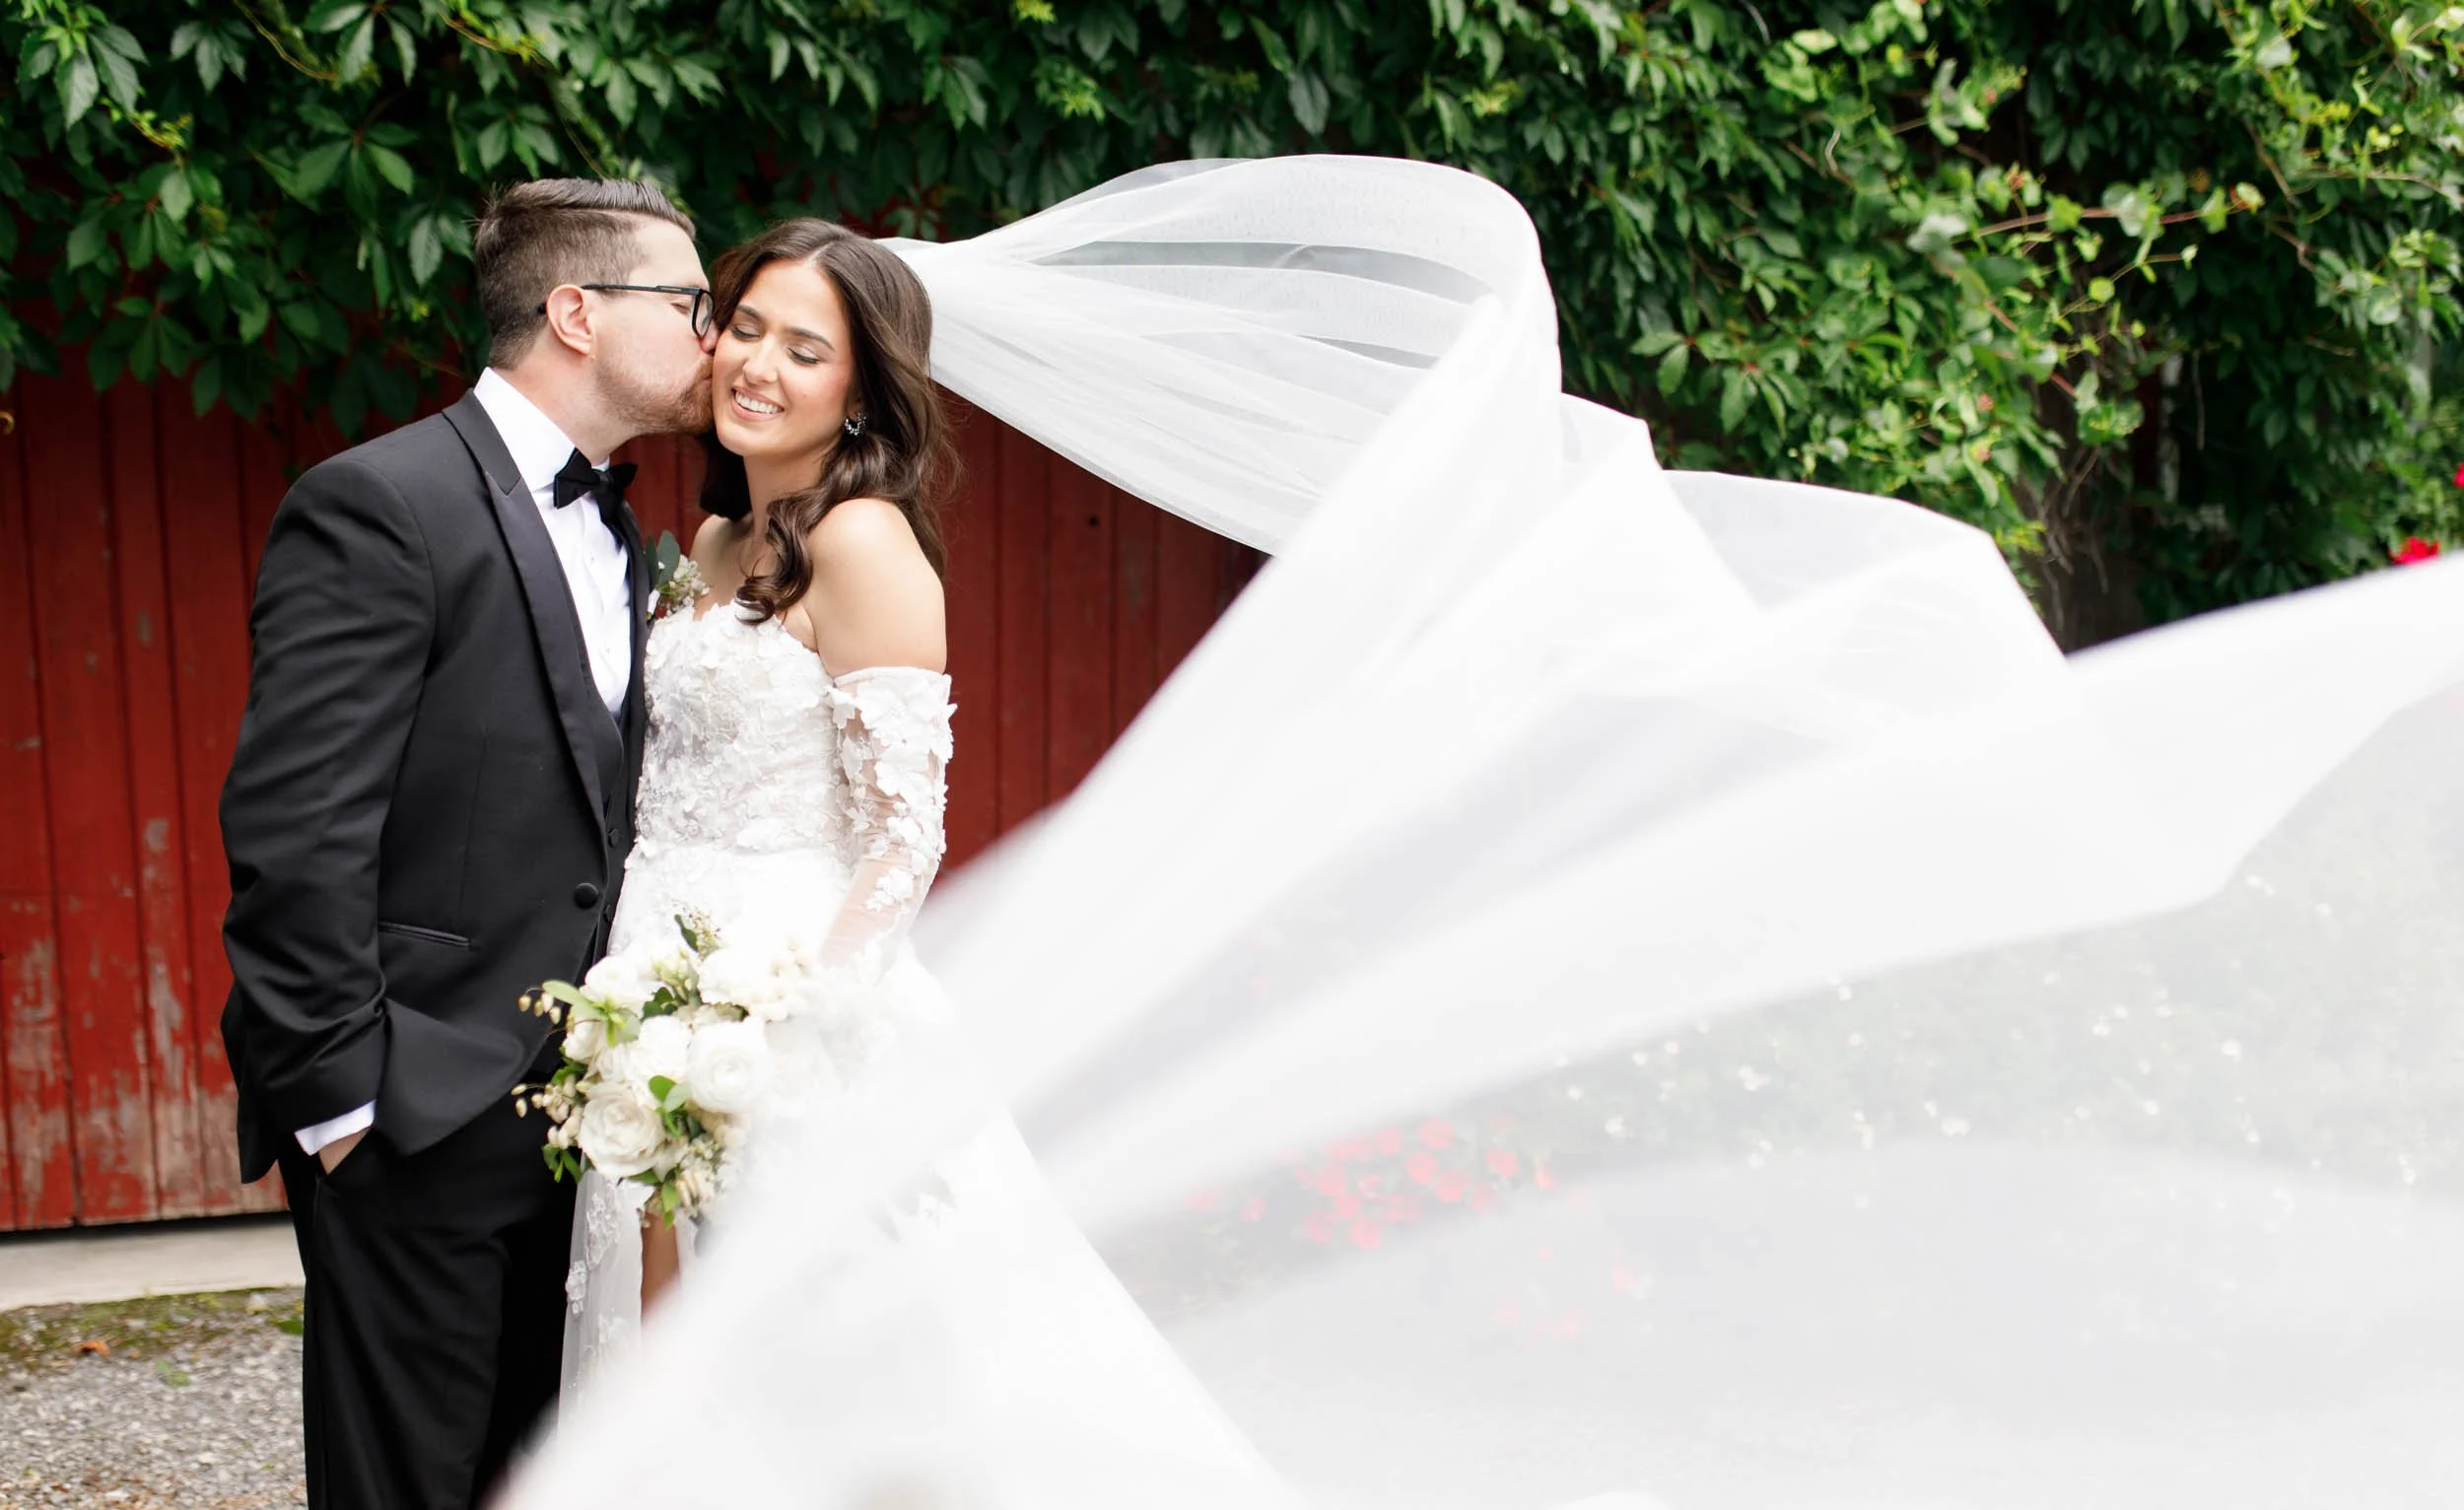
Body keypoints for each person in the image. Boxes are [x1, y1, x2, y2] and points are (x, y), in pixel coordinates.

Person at [219, 176, 712, 1509]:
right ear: (575, 312)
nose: (712, 338)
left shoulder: (628, 534)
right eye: (689, 304)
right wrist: (344, 1104)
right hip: (414, 1107)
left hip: (584, 1115)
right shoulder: (380, 503)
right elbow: (296, 821)